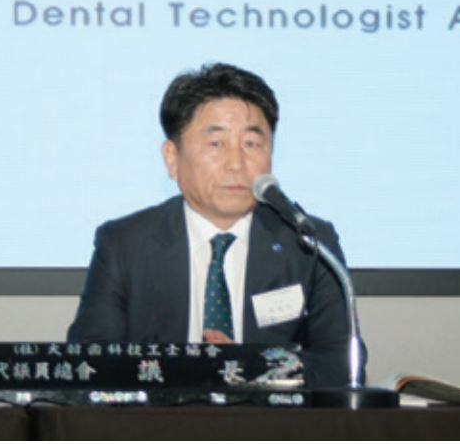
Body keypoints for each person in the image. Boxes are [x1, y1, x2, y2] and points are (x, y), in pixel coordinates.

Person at [67, 62, 360, 387]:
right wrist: (187, 372)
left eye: (252, 144)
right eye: (216, 144)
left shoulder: (308, 242)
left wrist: (253, 367)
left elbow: (344, 366)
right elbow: (89, 361)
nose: (236, 163)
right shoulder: (124, 243)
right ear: (172, 158)